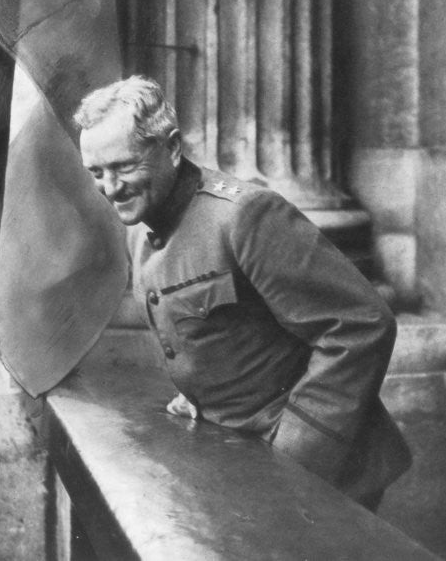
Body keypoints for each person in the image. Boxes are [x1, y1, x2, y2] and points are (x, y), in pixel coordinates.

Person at [74, 76, 411, 511]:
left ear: (172, 148)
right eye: (96, 173)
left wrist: (292, 456)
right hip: (242, 462)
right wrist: (204, 397)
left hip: (326, 470)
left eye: (123, 166)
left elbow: (360, 326)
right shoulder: (141, 233)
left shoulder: (246, 216)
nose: (110, 187)